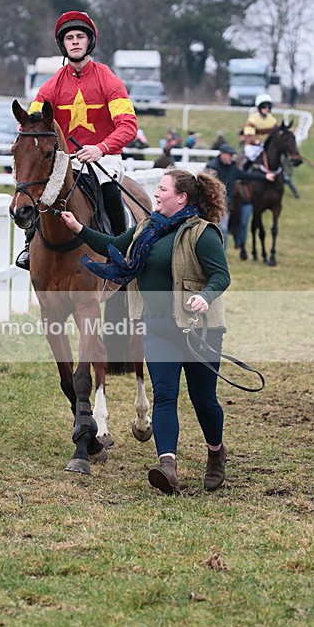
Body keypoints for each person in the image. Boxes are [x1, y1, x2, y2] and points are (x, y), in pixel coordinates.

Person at [60, 168, 231, 495]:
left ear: (181, 198)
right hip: (158, 327)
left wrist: (204, 297)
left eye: (162, 189)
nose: (156, 194)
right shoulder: (147, 228)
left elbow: (220, 276)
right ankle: (167, 465)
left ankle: (215, 454)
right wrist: (78, 228)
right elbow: (112, 244)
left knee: (203, 400)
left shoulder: (203, 233)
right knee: (165, 396)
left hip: (199, 331)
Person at [15, 10, 138, 270]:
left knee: (108, 188)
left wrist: (101, 148)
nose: (74, 41)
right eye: (69, 37)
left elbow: (128, 127)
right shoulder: (51, 86)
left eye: (80, 36)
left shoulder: (109, 81)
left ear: (89, 41)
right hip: (64, 159)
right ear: (63, 44)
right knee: (42, 192)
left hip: (104, 157)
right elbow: (30, 122)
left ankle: (120, 250)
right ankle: (30, 247)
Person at [205, 142, 276, 258]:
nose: (232, 157)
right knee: (212, 231)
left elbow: (246, 176)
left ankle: (222, 255)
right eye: (230, 155)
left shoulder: (233, 168)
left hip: (224, 206)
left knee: (223, 230)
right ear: (223, 155)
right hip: (210, 206)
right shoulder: (211, 167)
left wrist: (265, 177)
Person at [242, 93, 278, 170]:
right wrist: (258, 142)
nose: (266, 109)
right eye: (263, 107)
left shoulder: (273, 120)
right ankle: (245, 174)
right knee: (252, 158)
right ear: (259, 107)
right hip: (253, 147)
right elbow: (249, 136)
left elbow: (276, 133)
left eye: (268, 107)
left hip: (266, 146)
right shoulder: (252, 120)